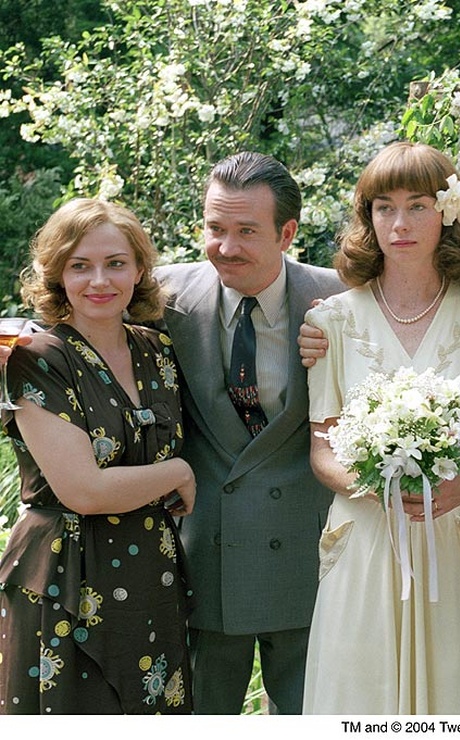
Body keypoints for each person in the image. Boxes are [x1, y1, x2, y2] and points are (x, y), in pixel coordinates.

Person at [302, 142, 460, 714]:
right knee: (358, 693)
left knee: (453, 692)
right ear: (367, 216)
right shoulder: (330, 320)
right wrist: (380, 487)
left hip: (455, 533)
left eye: (418, 206)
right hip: (366, 535)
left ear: (449, 212)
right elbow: (322, 449)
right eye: (384, 207)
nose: (400, 224)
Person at [155, 152, 343, 714]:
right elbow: (75, 321)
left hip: (308, 556)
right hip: (205, 555)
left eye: (246, 231)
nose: (226, 247)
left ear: (287, 233)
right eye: (214, 228)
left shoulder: (341, 298)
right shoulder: (160, 296)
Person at [0, 199, 195, 714]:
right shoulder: (37, 358)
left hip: (151, 574)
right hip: (68, 576)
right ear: (58, 275)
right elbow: (84, 491)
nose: (99, 280)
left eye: (116, 263)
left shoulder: (157, 349)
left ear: (139, 270)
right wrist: (176, 472)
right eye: (80, 266)